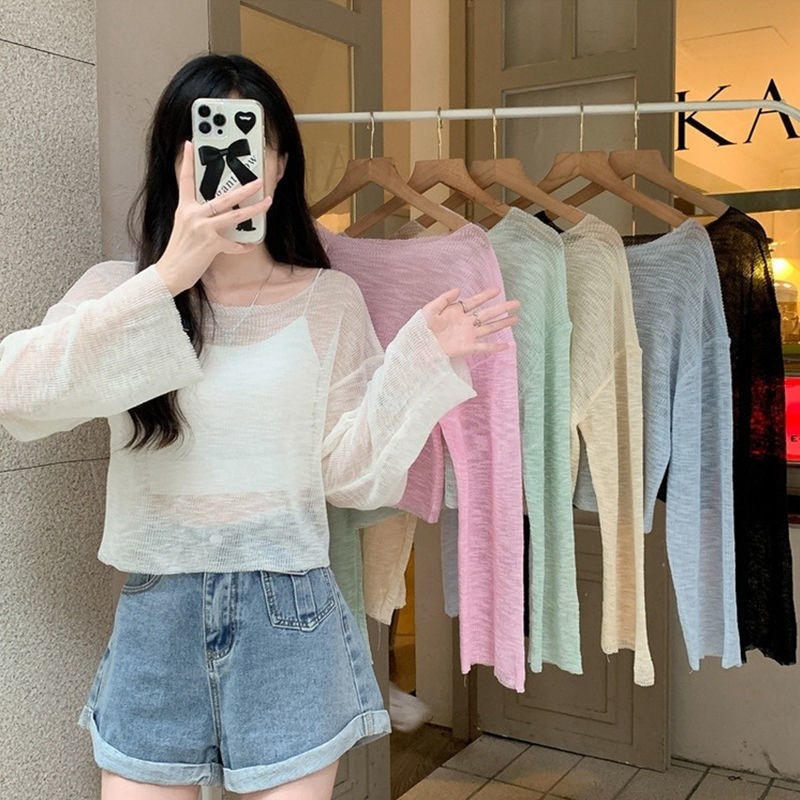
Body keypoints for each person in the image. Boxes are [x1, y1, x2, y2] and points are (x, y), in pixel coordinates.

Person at [0, 53, 519, 799]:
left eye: (254, 141)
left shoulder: (328, 298)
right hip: (159, 610)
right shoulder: (123, 290)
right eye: (207, 143)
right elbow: (18, 395)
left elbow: (349, 478)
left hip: (290, 613)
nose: (234, 165)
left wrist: (416, 365)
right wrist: (167, 279)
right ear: (176, 161)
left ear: (279, 164)